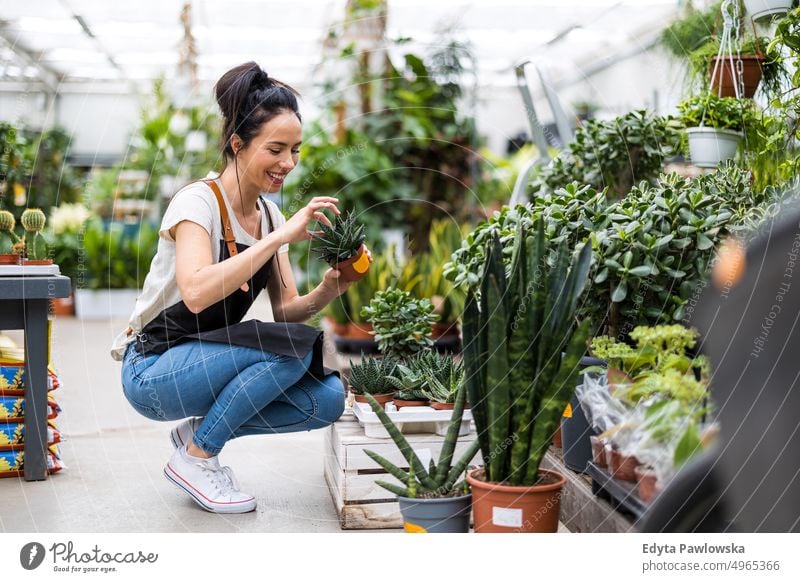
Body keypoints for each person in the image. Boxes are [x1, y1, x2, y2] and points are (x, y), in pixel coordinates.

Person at [111, 62, 360, 514]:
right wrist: (278, 240)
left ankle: (199, 435)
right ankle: (199, 457)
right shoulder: (198, 202)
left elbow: (287, 313)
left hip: (206, 359)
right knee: (289, 350)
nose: (288, 163)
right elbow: (197, 292)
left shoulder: (269, 217)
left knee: (326, 399)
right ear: (238, 144)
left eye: (296, 150)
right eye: (276, 149)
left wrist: (333, 283)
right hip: (151, 368)